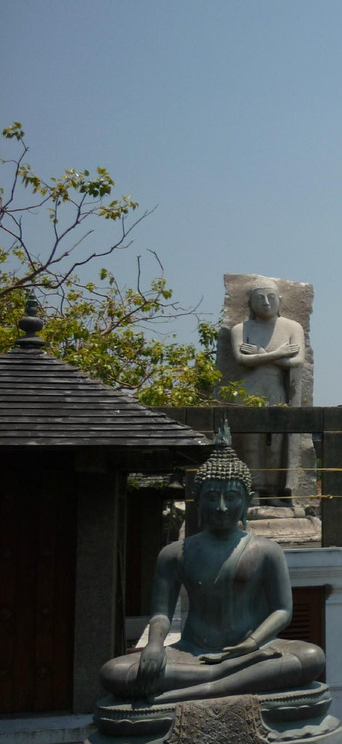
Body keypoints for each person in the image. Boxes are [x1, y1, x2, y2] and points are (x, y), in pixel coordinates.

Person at [99, 425, 324, 703]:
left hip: (253, 650)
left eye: (231, 498)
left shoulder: (267, 551)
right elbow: (161, 614)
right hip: (192, 652)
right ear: (199, 502)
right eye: (211, 497)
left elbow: (282, 610)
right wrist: (155, 645)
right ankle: (223, 677)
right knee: (114, 672)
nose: (221, 507)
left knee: (312, 657)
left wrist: (251, 643)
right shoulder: (175, 553)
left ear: (245, 502)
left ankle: (210, 684)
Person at [229, 279, 305, 499]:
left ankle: (274, 490)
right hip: (248, 390)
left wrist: (260, 354)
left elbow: (298, 361)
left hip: (277, 389)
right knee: (251, 443)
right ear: (250, 303)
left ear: (279, 300)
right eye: (260, 298)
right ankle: (254, 489)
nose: (265, 302)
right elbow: (241, 359)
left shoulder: (292, 327)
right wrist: (278, 353)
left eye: (271, 297)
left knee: (275, 443)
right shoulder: (241, 329)